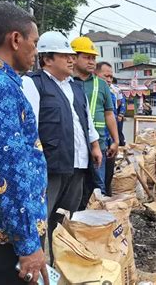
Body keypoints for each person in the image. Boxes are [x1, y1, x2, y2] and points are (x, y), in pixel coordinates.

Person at [0, 0, 49, 285]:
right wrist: (28, 245)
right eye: (34, 43)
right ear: (15, 39)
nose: (36, 52)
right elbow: (9, 169)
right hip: (4, 240)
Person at [31, 31, 102, 262]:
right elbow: (30, 125)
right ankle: (41, 268)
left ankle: (62, 265)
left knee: (66, 219)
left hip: (78, 164)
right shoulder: (35, 84)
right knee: (43, 219)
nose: (72, 60)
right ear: (47, 59)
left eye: (72, 55)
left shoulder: (75, 87)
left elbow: (86, 120)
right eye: (65, 56)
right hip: (52, 165)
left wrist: (94, 145)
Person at [71, 37, 118, 199]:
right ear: (74, 57)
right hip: (74, 146)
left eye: (93, 58)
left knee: (99, 188)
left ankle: (98, 222)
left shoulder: (101, 84)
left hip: (100, 144)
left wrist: (116, 140)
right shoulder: (66, 82)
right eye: (87, 57)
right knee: (75, 190)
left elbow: (109, 114)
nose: (92, 62)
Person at [94, 61, 118, 196]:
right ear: (95, 74)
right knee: (99, 181)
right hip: (98, 141)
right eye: (106, 76)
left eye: (111, 77)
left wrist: (116, 140)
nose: (109, 80)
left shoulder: (112, 95)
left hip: (109, 141)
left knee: (108, 176)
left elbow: (112, 118)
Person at [112, 77, 127, 146]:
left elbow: (122, 102)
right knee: (117, 131)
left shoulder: (116, 90)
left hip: (116, 114)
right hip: (114, 114)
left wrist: (120, 114)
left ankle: (121, 144)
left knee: (118, 130)